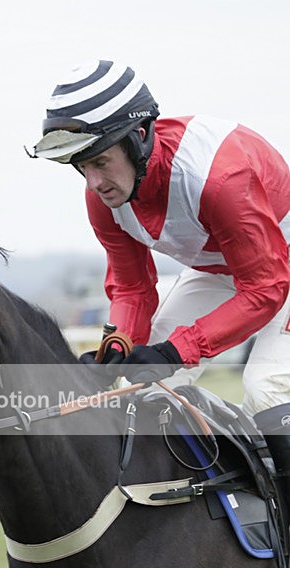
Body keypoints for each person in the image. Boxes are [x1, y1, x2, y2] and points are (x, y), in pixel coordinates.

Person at [31, 58, 290, 515]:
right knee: (138, 383)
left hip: (275, 269)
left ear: (139, 138)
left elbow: (265, 289)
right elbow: (132, 289)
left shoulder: (219, 178)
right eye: (80, 166)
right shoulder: (104, 197)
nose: (94, 183)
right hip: (227, 267)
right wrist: (118, 346)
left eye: (99, 162)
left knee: (267, 387)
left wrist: (176, 350)